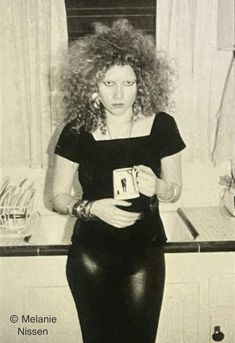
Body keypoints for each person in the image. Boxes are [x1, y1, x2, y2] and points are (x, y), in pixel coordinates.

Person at [52, 19, 186, 343]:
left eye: (128, 83)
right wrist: (91, 208)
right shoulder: (75, 130)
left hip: (145, 253)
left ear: (143, 83)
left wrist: (158, 187)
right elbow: (56, 197)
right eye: (108, 83)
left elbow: (176, 191)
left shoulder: (162, 126)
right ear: (91, 85)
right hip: (90, 256)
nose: (118, 94)